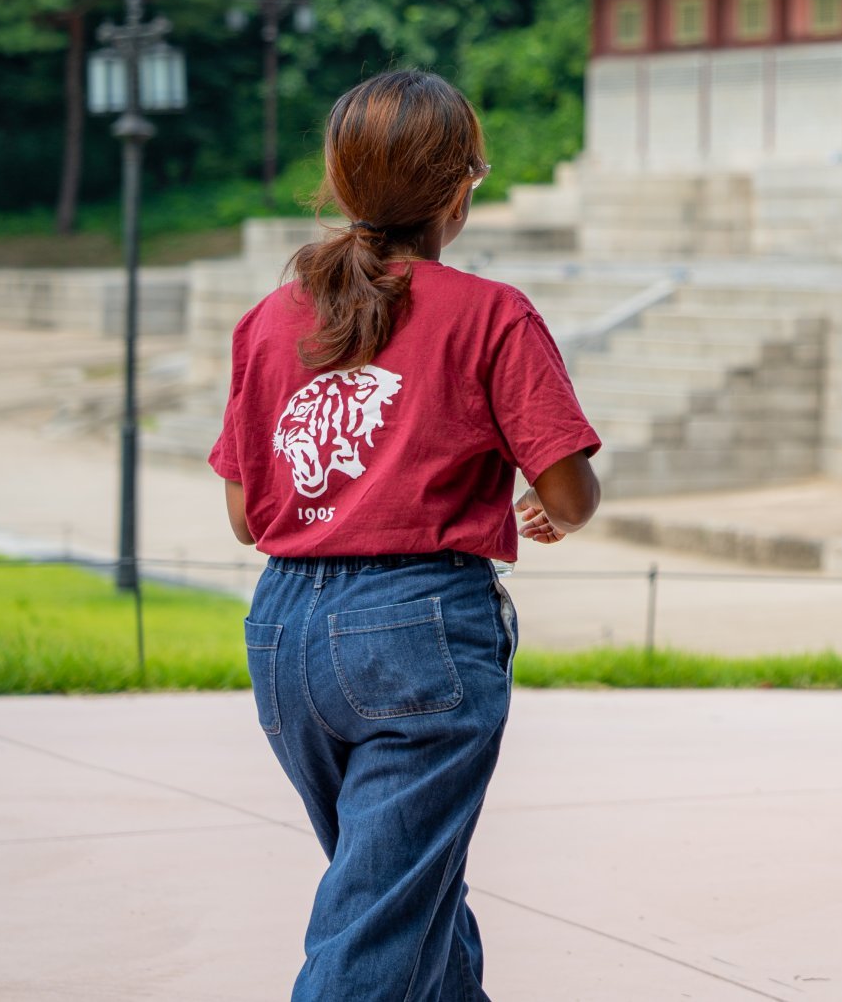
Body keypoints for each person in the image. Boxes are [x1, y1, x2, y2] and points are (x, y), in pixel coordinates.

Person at [213, 70, 602, 1002]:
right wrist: (543, 506)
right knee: (377, 914)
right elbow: (570, 491)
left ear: (341, 185)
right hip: (419, 631)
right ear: (461, 189)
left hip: (284, 636)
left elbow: (244, 514)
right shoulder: (490, 313)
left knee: (407, 884)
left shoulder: (271, 319)